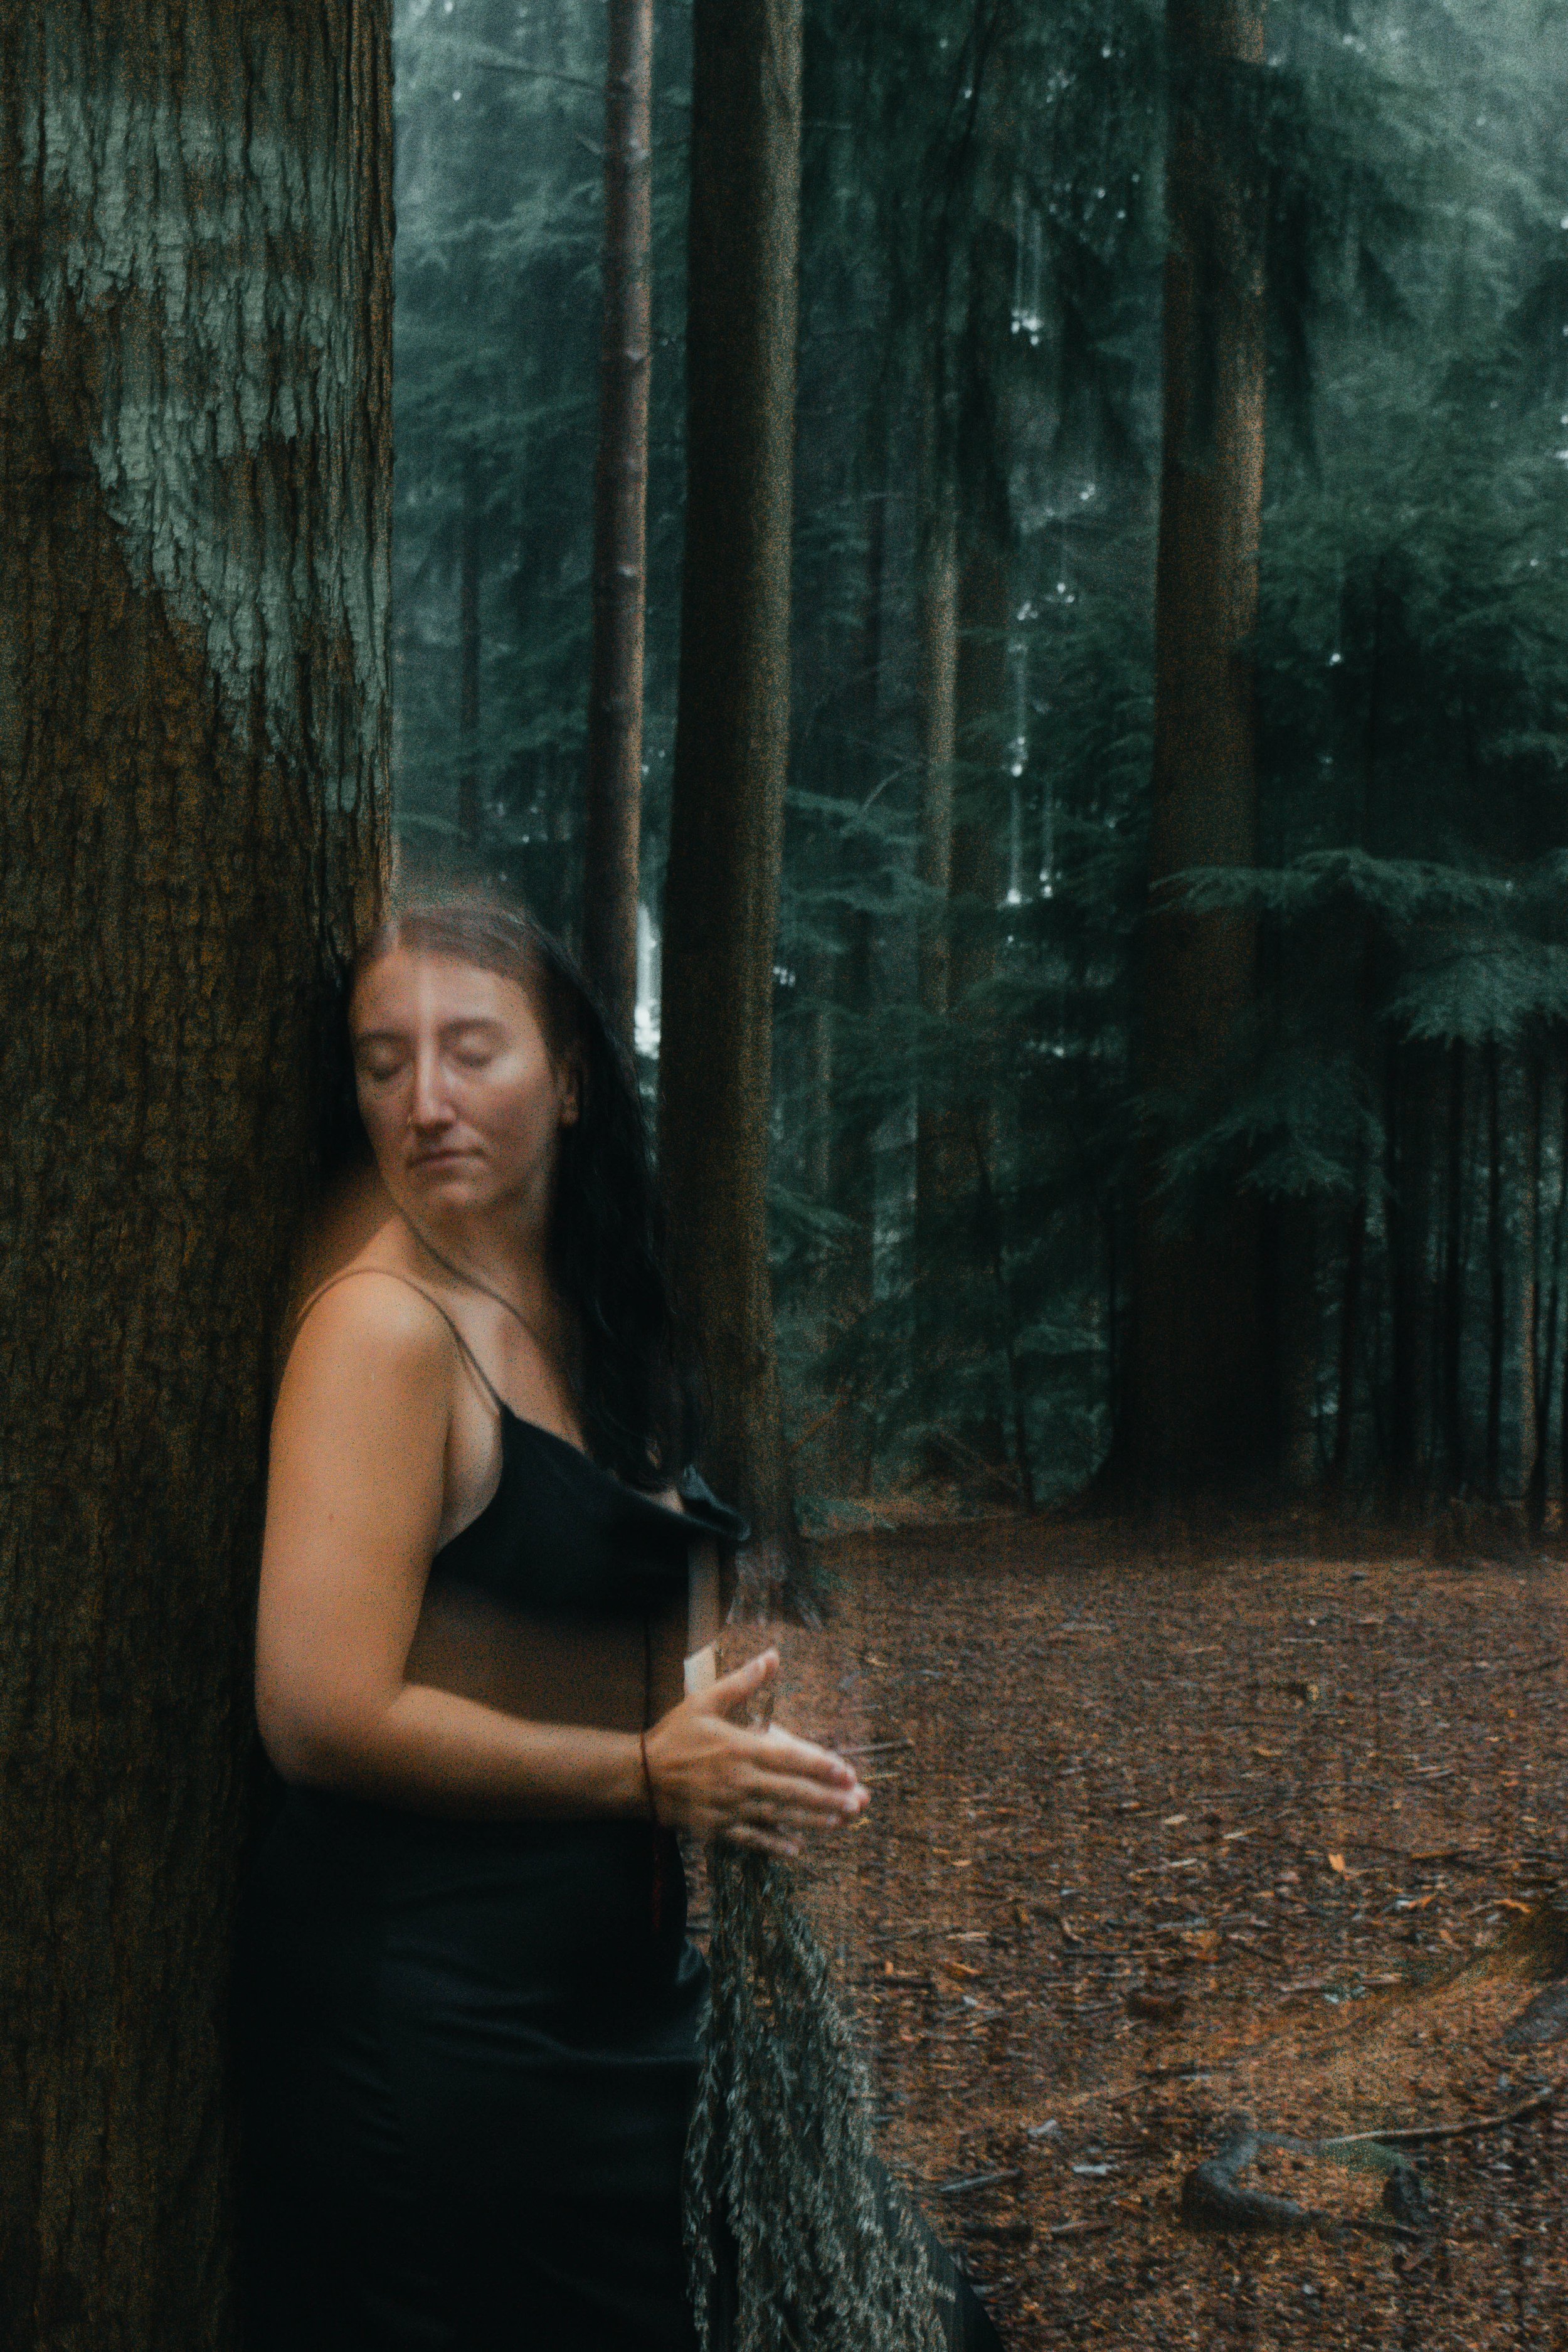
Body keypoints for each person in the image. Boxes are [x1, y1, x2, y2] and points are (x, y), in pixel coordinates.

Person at [231, 896, 998, 2352]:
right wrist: (649, 1774)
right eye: (381, 1061)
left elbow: (603, 1591)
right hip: (436, 2034)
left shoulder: (585, 1307)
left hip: (614, 1997)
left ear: (571, 1078)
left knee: (915, 2316)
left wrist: (732, 1746)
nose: (426, 1101)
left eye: (471, 1051)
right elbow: (315, 1714)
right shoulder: (383, 1332)